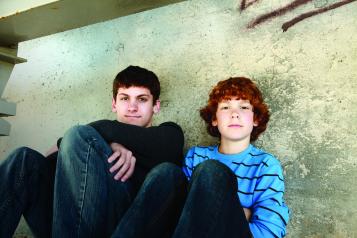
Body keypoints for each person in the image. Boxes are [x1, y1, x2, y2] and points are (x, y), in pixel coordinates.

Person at [0, 66, 186, 238]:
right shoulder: (89, 147)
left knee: (78, 134)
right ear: (114, 104)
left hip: (121, 227)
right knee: (24, 158)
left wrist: (98, 137)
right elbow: (50, 164)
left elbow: (102, 131)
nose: (132, 107)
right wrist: (107, 144)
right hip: (66, 225)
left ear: (156, 106)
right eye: (124, 98)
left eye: (142, 99)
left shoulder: (169, 133)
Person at [172, 77, 289, 238]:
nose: (234, 114)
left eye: (244, 107)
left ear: (256, 119)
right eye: (226, 107)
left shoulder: (265, 165)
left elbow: (270, 231)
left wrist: (223, 213)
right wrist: (243, 213)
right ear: (214, 119)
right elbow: (177, 215)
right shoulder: (196, 156)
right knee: (167, 172)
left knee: (210, 170)